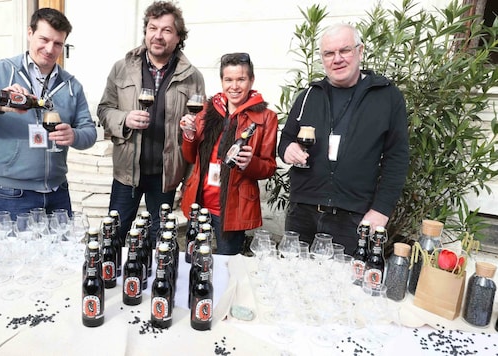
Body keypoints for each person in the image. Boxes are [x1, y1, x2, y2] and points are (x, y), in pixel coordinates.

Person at [0, 8, 97, 220]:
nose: (49, 49)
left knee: (60, 254)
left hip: (58, 193)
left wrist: (75, 136)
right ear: (29, 33)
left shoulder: (72, 85)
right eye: (43, 39)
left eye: (58, 44)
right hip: (14, 195)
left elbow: (89, 132)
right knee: (16, 254)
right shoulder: (0, 71)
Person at [277, 23, 409, 253]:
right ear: (322, 58)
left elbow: (396, 158)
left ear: (360, 51)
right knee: (293, 280)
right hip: (302, 213)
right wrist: (287, 149)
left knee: (341, 286)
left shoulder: (387, 96)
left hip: (353, 218)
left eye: (344, 50)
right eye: (329, 53)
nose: (337, 59)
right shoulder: (309, 95)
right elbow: (286, 139)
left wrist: (382, 210)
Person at [97, 1, 205, 246]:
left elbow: (200, 127)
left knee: (162, 241)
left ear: (178, 37)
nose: (158, 35)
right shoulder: (122, 68)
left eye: (166, 30)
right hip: (127, 173)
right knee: (114, 236)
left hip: (166, 175)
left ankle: (158, 284)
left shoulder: (192, 77)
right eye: (152, 28)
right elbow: (104, 110)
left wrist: (193, 127)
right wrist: (125, 119)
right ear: (145, 31)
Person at [179, 53, 278, 255]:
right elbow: (190, 158)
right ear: (222, 81)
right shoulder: (207, 109)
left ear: (251, 80)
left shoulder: (267, 117)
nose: (234, 86)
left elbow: (268, 167)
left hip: (233, 208)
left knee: (228, 263)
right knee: (193, 260)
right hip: (199, 202)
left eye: (241, 79)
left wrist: (250, 163)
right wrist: (189, 136)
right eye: (228, 80)